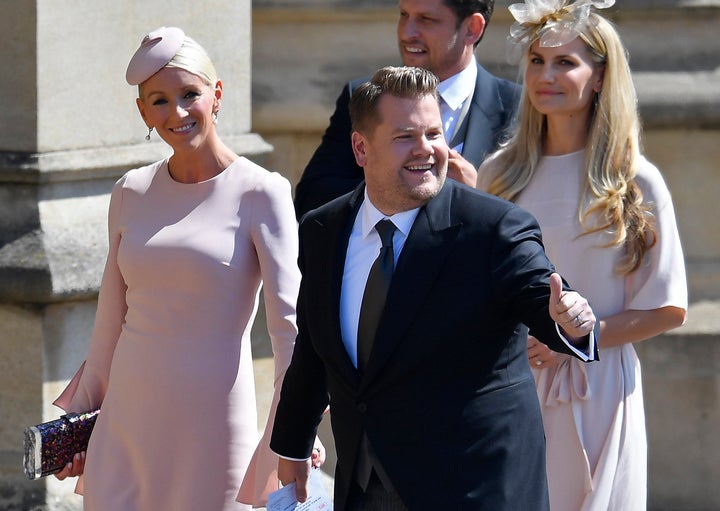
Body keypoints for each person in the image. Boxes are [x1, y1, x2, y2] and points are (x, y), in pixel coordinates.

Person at [270, 65, 599, 511]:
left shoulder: (493, 228)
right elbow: (313, 347)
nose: (426, 150)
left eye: (434, 134)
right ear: (360, 148)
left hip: (470, 489)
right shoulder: (322, 228)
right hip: (366, 486)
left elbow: (542, 294)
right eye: (406, 136)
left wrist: (571, 322)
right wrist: (291, 445)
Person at [51, 27, 323, 510]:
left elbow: (290, 330)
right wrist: (75, 426)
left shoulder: (262, 191)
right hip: (126, 428)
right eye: (158, 100)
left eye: (189, 95)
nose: (175, 112)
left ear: (216, 96)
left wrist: (295, 432)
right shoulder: (129, 192)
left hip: (214, 431)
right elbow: (109, 324)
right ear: (143, 113)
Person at [477, 1, 688, 509]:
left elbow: (667, 307)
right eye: (535, 61)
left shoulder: (636, 181)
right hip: (513, 389)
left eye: (564, 63)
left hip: (600, 394)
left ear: (599, 76)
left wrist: (574, 341)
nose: (545, 75)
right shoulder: (499, 176)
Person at [293, 0, 521, 219]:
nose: (406, 32)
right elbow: (312, 199)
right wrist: (405, 186)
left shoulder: (519, 108)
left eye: (426, 19)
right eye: (404, 15)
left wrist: (477, 196)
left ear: (472, 28)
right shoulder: (363, 96)